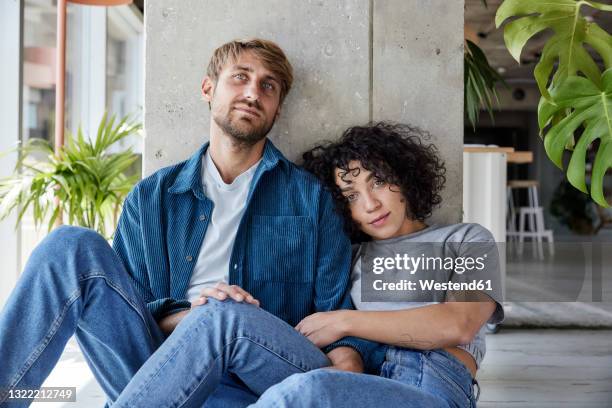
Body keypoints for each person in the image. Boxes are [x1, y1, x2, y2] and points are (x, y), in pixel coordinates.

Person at [0, 38, 376, 408]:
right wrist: (194, 313)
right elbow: (133, 313)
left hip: (261, 379)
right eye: (239, 77)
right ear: (208, 88)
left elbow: (339, 314)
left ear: (277, 109)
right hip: (157, 370)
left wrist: (343, 384)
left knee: (225, 314)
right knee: (68, 245)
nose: (252, 93)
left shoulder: (310, 199)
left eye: (268, 86)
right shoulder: (151, 198)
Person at [250, 122, 505, 408]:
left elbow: (459, 324)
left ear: (404, 177)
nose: (370, 204)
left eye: (378, 182)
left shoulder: (467, 238)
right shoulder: (350, 257)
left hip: (432, 381)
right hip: (365, 380)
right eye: (351, 196)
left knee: (308, 389)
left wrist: (344, 321)